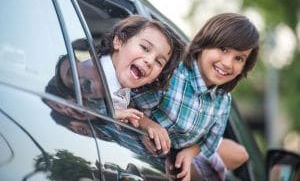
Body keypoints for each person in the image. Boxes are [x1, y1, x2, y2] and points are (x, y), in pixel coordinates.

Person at [130, 12, 259, 180]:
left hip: (170, 164)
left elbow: (209, 141)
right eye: (223, 49)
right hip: (139, 154)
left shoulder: (223, 100)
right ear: (204, 43)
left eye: (239, 58)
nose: (228, 63)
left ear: (244, 67)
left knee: (240, 154)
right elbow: (124, 103)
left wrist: (191, 152)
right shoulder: (172, 75)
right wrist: (148, 125)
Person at [51, 15, 184, 127]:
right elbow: (81, 108)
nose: (149, 61)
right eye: (145, 48)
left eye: (159, 62)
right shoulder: (95, 76)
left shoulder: (125, 91)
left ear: (156, 77)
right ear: (119, 41)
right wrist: (111, 114)